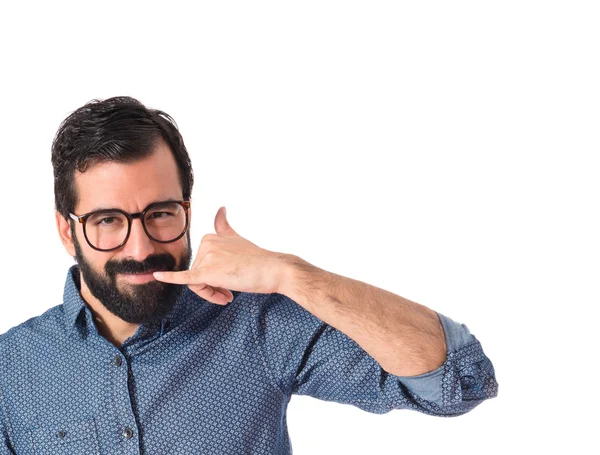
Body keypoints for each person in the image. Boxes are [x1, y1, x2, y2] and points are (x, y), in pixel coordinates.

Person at [0, 96, 498, 454]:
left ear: (187, 210)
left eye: (161, 213)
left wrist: (290, 274)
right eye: (107, 221)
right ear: (67, 231)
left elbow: (456, 382)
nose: (142, 247)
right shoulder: (9, 369)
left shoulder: (254, 324)